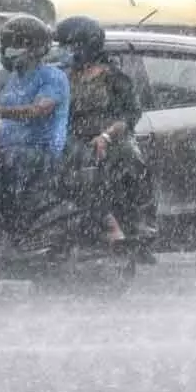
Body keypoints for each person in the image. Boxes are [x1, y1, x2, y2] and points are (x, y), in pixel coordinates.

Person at [53, 16, 157, 258]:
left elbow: (130, 114)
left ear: (85, 46)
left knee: (133, 161)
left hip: (111, 137)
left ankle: (142, 222)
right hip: (73, 139)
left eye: (69, 46)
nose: (65, 52)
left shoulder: (114, 77)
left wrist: (106, 136)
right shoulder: (63, 77)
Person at [0, 15, 71, 241]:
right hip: (8, 149)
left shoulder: (52, 77)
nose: (10, 50)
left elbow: (39, 109)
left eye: (17, 44)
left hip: (40, 151)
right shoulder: (11, 78)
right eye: (7, 44)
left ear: (35, 47)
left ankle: (15, 230)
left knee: (11, 174)